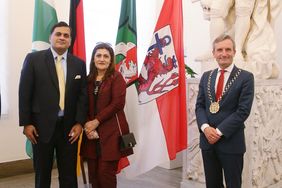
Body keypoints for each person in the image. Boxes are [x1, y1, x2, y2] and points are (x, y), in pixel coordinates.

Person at [19, 21, 87, 188]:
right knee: (42, 174)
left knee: (69, 175)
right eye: (58, 34)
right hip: (40, 128)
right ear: (50, 37)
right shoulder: (34, 59)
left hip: (69, 129)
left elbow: (82, 96)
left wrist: (79, 123)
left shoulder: (79, 64)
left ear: (70, 40)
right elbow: (24, 93)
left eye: (66, 35)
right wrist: (26, 123)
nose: (62, 38)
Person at [195, 34, 254, 188]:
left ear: (234, 52)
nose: (224, 53)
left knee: (233, 184)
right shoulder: (206, 77)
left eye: (228, 49)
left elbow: (243, 111)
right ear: (214, 54)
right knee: (212, 184)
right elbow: (200, 106)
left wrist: (219, 132)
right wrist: (206, 128)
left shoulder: (246, 78)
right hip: (207, 142)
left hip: (231, 142)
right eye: (219, 50)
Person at [80, 43, 133, 188]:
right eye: (98, 55)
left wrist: (96, 121)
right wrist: (87, 125)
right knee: (94, 175)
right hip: (91, 134)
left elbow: (117, 104)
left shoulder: (116, 78)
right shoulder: (88, 79)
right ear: (93, 59)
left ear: (111, 60)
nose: (101, 59)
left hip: (111, 134)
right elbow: (81, 105)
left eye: (106, 56)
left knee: (105, 174)